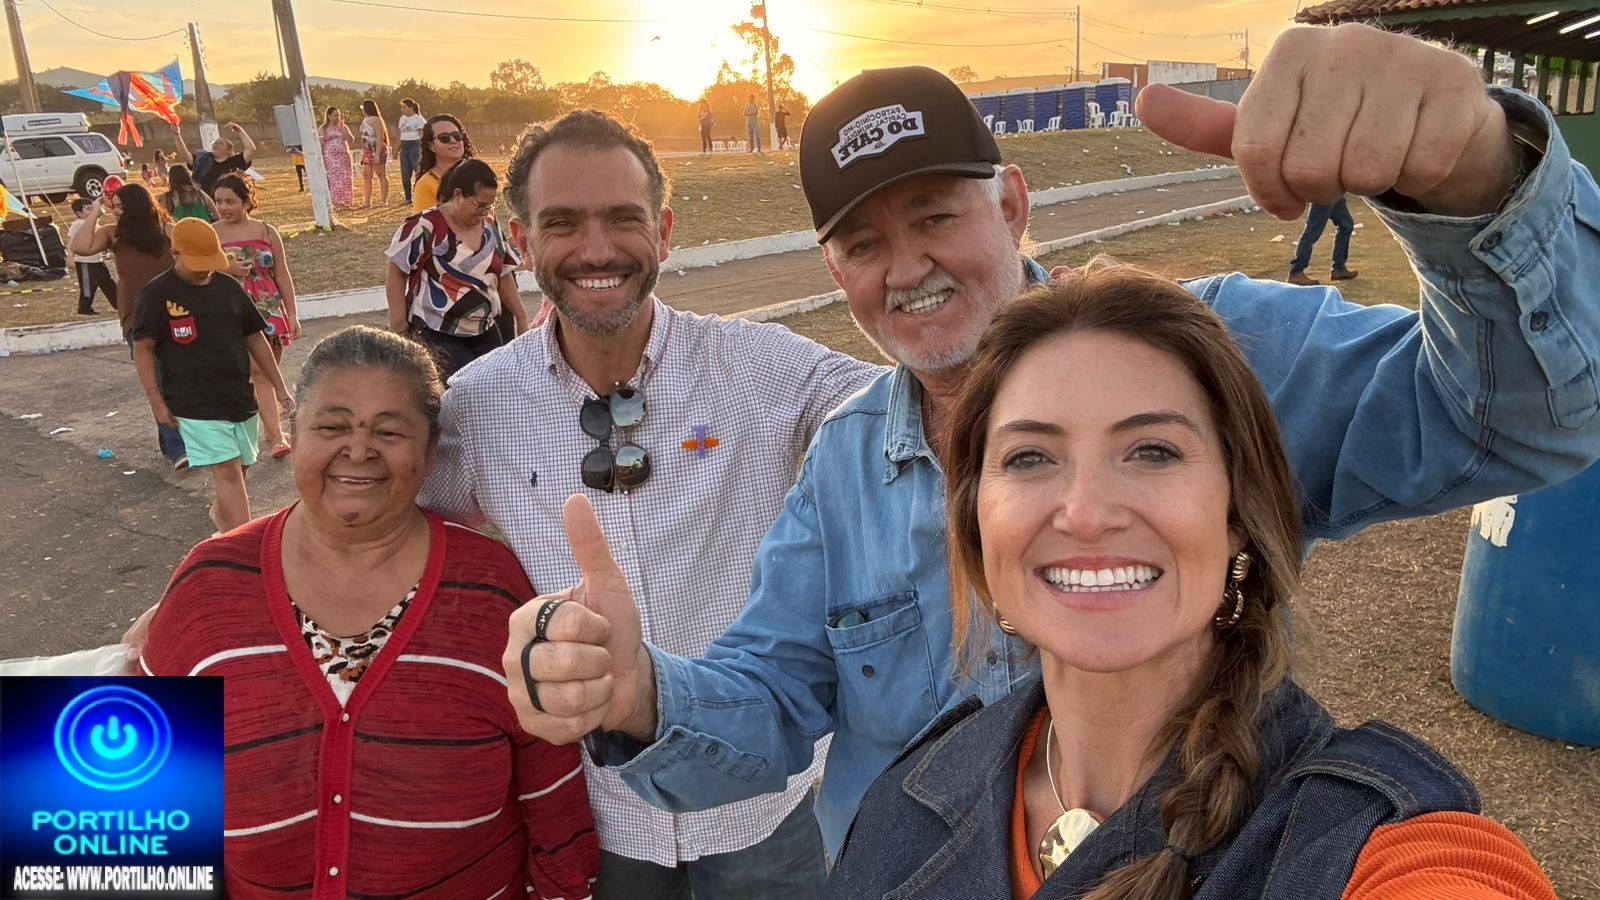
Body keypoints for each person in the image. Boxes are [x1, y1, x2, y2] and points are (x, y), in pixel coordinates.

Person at [504, 24, 1600, 862]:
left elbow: (1530, 418)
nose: (908, 268)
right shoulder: (844, 464)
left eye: (937, 216)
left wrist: (1477, 185)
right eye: (864, 244)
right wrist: (638, 693)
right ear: (834, 272)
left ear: (1013, 203)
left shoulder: (1211, 355)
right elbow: (773, 701)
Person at [832, 268, 1558, 899]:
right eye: (1029, 458)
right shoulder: (911, 793)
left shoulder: (1373, 842)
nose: (1086, 514)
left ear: (1237, 513)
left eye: (1152, 451)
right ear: (975, 521)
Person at [421, 109, 882, 900]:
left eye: (623, 219)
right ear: (520, 242)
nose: (597, 248)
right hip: (600, 817)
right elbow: (383, 526)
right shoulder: (479, 404)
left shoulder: (758, 366)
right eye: (563, 223)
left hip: (761, 809)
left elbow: (923, 406)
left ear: (664, 232)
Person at [138, 325, 601, 899]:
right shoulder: (209, 584)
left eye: (389, 430)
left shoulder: (491, 590)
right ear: (293, 435)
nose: (358, 450)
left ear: (430, 453)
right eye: (332, 427)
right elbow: (134, 801)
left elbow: (551, 789)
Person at [130, 218, 293, 534]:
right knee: (227, 471)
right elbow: (143, 347)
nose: (205, 270)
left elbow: (255, 338)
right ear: (175, 253)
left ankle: (223, 515)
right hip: (193, 401)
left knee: (241, 467)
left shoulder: (228, 287)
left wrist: (280, 388)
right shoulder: (156, 294)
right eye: (197, 263)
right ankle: (243, 544)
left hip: (238, 395)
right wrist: (155, 400)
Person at [69, 183, 188, 469]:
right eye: (114, 206)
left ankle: (173, 441)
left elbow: (190, 252)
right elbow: (80, 246)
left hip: (173, 311)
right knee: (155, 380)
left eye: (121, 207)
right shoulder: (113, 233)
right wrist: (95, 212)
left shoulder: (166, 230)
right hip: (135, 314)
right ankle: (177, 448)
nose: (116, 211)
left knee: (179, 378)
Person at [386, 158, 527, 379]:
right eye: (480, 205)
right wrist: (399, 326)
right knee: (457, 391)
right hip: (439, 333)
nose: (485, 212)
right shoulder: (425, 226)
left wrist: (521, 318)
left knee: (496, 388)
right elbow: (396, 272)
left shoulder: (490, 227)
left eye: (489, 206)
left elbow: (503, 273)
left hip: (486, 330)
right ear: (458, 195)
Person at [214, 173, 300, 461]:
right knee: (259, 372)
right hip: (231, 309)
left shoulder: (266, 231)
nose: (223, 207)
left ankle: (268, 425)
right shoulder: (211, 234)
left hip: (268, 308)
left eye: (230, 201)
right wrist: (226, 269)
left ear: (247, 202)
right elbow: (195, 269)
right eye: (218, 201)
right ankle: (276, 436)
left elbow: (283, 274)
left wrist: (292, 313)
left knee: (268, 370)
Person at [172, 121, 256, 197]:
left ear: (228, 150)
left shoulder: (235, 162)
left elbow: (251, 150)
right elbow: (185, 155)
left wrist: (239, 130)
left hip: (227, 203)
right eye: (215, 143)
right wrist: (177, 135)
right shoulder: (203, 160)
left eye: (221, 143)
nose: (216, 144)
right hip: (205, 203)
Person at [1288, 196, 1358, 286]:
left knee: (1346, 225)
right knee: (1311, 232)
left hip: (1335, 193)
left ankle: (1339, 268)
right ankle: (1296, 271)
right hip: (1324, 193)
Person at [412, 114, 472, 212]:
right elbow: (425, 220)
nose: (453, 141)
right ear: (431, 146)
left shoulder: (477, 175)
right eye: (444, 138)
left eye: (457, 136)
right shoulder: (425, 184)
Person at [67, 197, 116, 315]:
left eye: (92, 209)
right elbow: (71, 242)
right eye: (88, 209)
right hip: (84, 262)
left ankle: (118, 303)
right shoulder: (78, 224)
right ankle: (84, 308)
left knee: (107, 282)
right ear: (79, 213)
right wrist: (70, 257)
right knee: (87, 286)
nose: (92, 211)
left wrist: (100, 202)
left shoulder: (94, 222)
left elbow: (100, 212)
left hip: (97, 260)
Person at [321, 107, 356, 209]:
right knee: (334, 180)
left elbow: (351, 140)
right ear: (329, 116)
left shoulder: (343, 126)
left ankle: (346, 201)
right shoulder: (323, 128)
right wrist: (321, 157)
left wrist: (342, 129)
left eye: (338, 115)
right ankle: (336, 202)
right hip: (331, 160)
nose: (337, 117)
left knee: (346, 178)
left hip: (343, 158)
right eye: (335, 115)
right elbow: (321, 143)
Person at [360, 98, 392, 209]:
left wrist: (377, 153)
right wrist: (363, 152)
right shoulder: (365, 119)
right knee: (367, 175)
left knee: (381, 174)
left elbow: (379, 137)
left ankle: (383, 200)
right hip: (367, 150)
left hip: (376, 149)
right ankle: (367, 201)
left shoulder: (377, 120)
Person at [396, 98, 426, 205]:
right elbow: (399, 135)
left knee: (418, 171)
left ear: (411, 108)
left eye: (404, 107)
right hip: (405, 146)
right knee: (405, 173)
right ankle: (408, 197)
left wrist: (423, 149)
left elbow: (422, 135)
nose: (402, 109)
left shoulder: (418, 120)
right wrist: (396, 150)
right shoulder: (402, 119)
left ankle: (421, 195)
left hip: (415, 145)